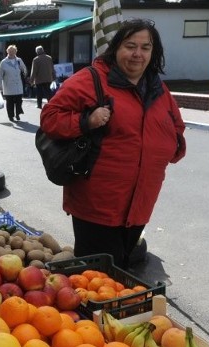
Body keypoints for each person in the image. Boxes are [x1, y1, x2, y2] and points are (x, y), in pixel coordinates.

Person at [40, 19, 186, 269]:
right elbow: (49, 118)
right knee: (97, 279)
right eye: (130, 46)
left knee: (122, 270)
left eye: (145, 47)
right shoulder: (91, 80)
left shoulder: (158, 88)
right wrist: (86, 121)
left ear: (154, 52)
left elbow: (176, 126)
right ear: (116, 48)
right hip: (96, 206)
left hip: (141, 202)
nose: (137, 54)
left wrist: (173, 146)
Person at [0, 45, 27, 122]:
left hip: (18, 84)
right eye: (10, 51)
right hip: (8, 85)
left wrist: (25, 73)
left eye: (13, 51)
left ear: (15, 52)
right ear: (7, 52)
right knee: (10, 102)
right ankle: (11, 116)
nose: (11, 53)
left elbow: (24, 69)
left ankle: (18, 113)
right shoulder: (3, 62)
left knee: (19, 100)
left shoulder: (19, 60)